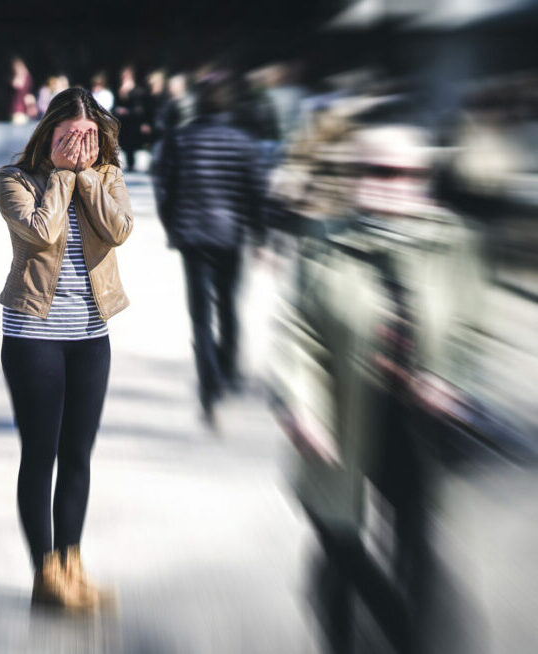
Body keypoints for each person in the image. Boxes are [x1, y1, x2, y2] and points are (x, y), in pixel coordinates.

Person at [270, 124, 485, 654]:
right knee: (338, 535)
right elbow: (299, 332)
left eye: (411, 173)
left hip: (414, 422)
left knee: (414, 540)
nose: (395, 184)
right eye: (379, 170)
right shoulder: (324, 242)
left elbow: (470, 326)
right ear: (355, 176)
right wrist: (304, 405)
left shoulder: (452, 242)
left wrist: (451, 379)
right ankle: (363, 631)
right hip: (340, 414)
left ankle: (414, 634)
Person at [0, 87, 133, 610]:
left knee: (78, 455)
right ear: (48, 134)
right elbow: (42, 233)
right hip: (34, 337)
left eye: (90, 137)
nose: (82, 145)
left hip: (91, 337)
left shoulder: (109, 177)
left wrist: (88, 178)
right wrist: (61, 175)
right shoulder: (16, 180)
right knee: (41, 456)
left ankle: (72, 565)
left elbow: (118, 230)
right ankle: (45, 574)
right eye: (71, 137)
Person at [152, 76, 264, 428]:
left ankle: (209, 381)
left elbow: (164, 187)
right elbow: (255, 191)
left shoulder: (180, 140)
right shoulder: (243, 142)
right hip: (230, 236)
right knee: (229, 305)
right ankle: (227, 370)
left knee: (200, 315)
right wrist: (259, 233)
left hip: (193, 236)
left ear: (197, 103)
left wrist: (172, 226)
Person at [113, 65, 147, 171]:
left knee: (132, 143)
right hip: (124, 122)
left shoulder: (137, 90)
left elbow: (140, 108)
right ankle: (129, 163)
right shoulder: (120, 89)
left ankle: (132, 164)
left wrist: (127, 111)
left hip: (133, 122)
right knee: (125, 143)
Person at [10, 58, 35, 124]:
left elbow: (17, 85)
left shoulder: (26, 77)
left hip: (23, 110)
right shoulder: (26, 76)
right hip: (18, 110)